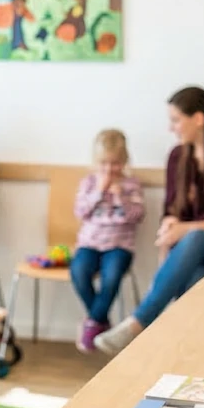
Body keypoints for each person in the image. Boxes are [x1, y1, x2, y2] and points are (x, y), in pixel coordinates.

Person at [93, 87, 204, 355]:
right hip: (191, 252)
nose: (171, 128)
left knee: (195, 238)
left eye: (176, 120)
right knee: (196, 277)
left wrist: (186, 230)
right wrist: (167, 245)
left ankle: (139, 322)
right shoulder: (177, 157)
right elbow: (172, 214)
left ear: (199, 119)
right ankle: (196, 353)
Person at [70, 128, 145, 351]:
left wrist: (120, 195)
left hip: (120, 246)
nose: (109, 169)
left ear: (124, 161)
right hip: (90, 243)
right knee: (79, 271)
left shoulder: (132, 185)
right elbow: (80, 212)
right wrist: (99, 193)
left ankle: (92, 322)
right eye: (104, 164)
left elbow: (138, 216)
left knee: (111, 277)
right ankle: (100, 321)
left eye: (115, 164)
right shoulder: (89, 183)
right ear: (96, 162)